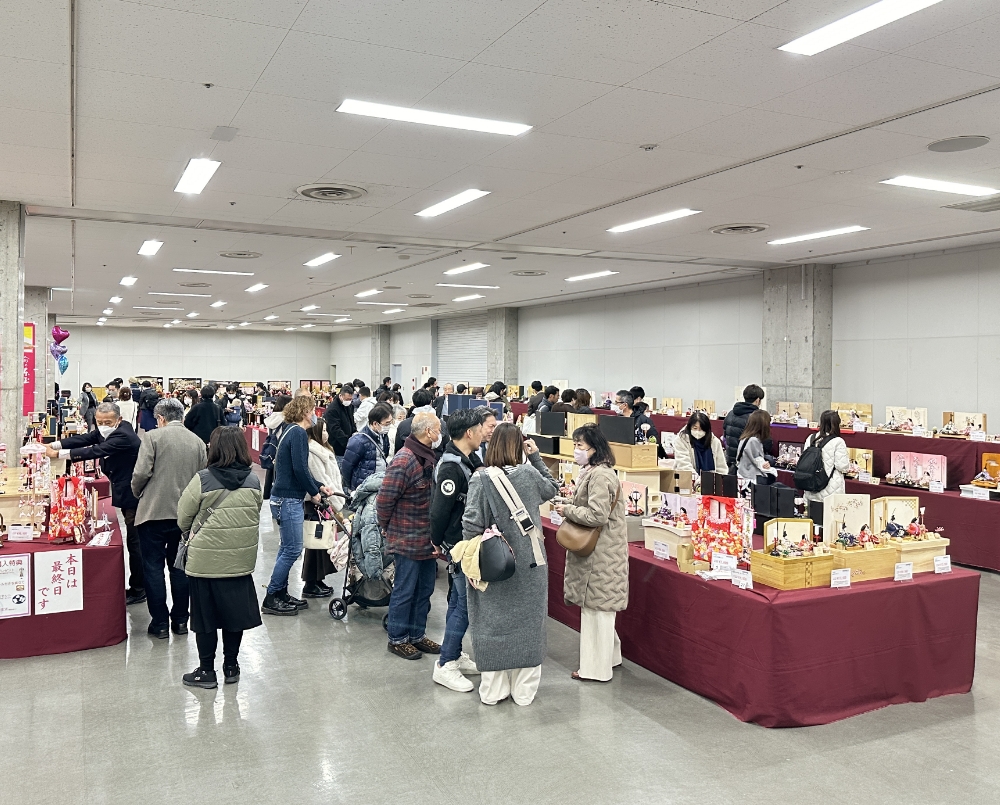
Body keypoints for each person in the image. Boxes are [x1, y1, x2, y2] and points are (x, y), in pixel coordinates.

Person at [463, 423, 559, 705]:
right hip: (531, 562)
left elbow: (471, 525)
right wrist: (537, 455)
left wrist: (471, 562)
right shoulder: (529, 474)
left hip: (493, 564)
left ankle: (493, 690)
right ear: (519, 446)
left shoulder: (480, 480)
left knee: (491, 622)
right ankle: (524, 692)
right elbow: (552, 488)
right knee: (530, 623)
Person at [176, 427, 263, 689]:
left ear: (213, 448)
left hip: (205, 563)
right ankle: (232, 665)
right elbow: (255, 512)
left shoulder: (202, 480)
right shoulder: (253, 480)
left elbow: (183, 519)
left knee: (206, 619)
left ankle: (206, 671)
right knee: (234, 616)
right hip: (239, 561)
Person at [47, 401, 145, 605]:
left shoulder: (123, 435)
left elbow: (97, 450)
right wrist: (55, 444)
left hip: (133, 493)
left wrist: (59, 455)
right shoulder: (108, 430)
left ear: (118, 419)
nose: (102, 425)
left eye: (107, 422)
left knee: (136, 543)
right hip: (122, 485)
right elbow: (87, 438)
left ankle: (139, 588)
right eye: (99, 422)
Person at [555, 424, 628, 683]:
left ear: (594, 449)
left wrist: (568, 511)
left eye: (580, 447)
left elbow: (597, 515)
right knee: (602, 611)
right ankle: (611, 657)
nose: (576, 451)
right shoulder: (598, 472)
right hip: (605, 553)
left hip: (600, 555)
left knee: (596, 612)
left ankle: (595, 669)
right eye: (575, 445)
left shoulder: (600, 476)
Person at [131, 398, 207, 639]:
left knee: (152, 568)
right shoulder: (197, 442)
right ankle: (182, 621)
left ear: (160, 419)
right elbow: (202, 479)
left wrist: (138, 492)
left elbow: (141, 473)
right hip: (184, 516)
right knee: (180, 568)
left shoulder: (152, 438)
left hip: (153, 512)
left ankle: (160, 623)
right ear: (182, 416)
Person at [377, 411, 443, 660]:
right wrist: (388, 528)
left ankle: (416, 635)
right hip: (406, 539)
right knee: (405, 590)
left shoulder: (428, 457)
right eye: (438, 428)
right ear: (428, 432)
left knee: (424, 590)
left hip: (427, 539)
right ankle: (397, 638)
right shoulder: (404, 460)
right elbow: (384, 501)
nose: (441, 433)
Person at [429, 409, 485, 692]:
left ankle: (454, 653)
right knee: (462, 604)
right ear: (469, 433)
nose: (484, 432)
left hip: (468, 542)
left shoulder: (471, 459)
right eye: (480, 428)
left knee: (457, 600)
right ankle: (446, 662)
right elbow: (439, 510)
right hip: (458, 544)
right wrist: (436, 541)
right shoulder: (451, 466)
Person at [263, 394, 333, 616]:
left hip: (285, 497)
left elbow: (299, 469)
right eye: (313, 410)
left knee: (287, 548)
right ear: (305, 412)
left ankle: (281, 591)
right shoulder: (298, 434)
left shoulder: (290, 432)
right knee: (292, 549)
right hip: (288, 499)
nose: (315, 415)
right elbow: (300, 469)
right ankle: (272, 595)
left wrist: (319, 486)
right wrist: (314, 492)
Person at [301, 420, 345, 598]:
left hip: (326, 502)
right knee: (315, 543)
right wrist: (336, 501)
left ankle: (318, 580)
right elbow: (321, 478)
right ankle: (310, 583)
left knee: (323, 542)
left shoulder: (323, 449)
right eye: (324, 430)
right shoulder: (313, 452)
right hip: (319, 503)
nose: (327, 433)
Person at [342, 402, 392, 492]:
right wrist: (351, 487)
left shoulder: (383, 435)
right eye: (387, 423)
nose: (388, 426)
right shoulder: (358, 441)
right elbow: (347, 466)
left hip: (380, 483)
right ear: (375, 424)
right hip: (363, 486)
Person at [802, 410, 850, 502]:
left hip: (811, 485)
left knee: (812, 514)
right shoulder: (838, 441)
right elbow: (842, 466)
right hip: (831, 487)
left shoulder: (811, 438)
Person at [724, 384, 765, 470]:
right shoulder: (756, 417)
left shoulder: (731, 413)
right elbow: (764, 442)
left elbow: (725, 435)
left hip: (730, 461)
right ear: (758, 400)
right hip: (747, 464)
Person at [262, 394, 291, 499]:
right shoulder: (286, 420)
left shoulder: (271, 418)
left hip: (272, 451)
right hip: (282, 452)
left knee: (272, 475)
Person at [736, 409, 777, 482]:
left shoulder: (744, 438)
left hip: (744, 475)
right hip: (751, 478)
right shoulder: (753, 441)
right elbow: (759, 462)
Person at [322, 384, 357, 463]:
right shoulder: (333, 409)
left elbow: (352, 420)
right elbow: (335, 429)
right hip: (338, 446)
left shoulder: (349, 406)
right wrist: (347, 443)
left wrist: (355, 433)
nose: (349, 401)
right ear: (340, 396)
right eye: (347, 399)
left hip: (349, 444)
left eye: (351, 399)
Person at [394, 388, 434, 454]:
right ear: (431, 402)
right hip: (433, 462)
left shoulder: (403, 425)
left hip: (409, 461)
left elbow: (398, 449)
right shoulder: (440, 424)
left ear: (414, 404)